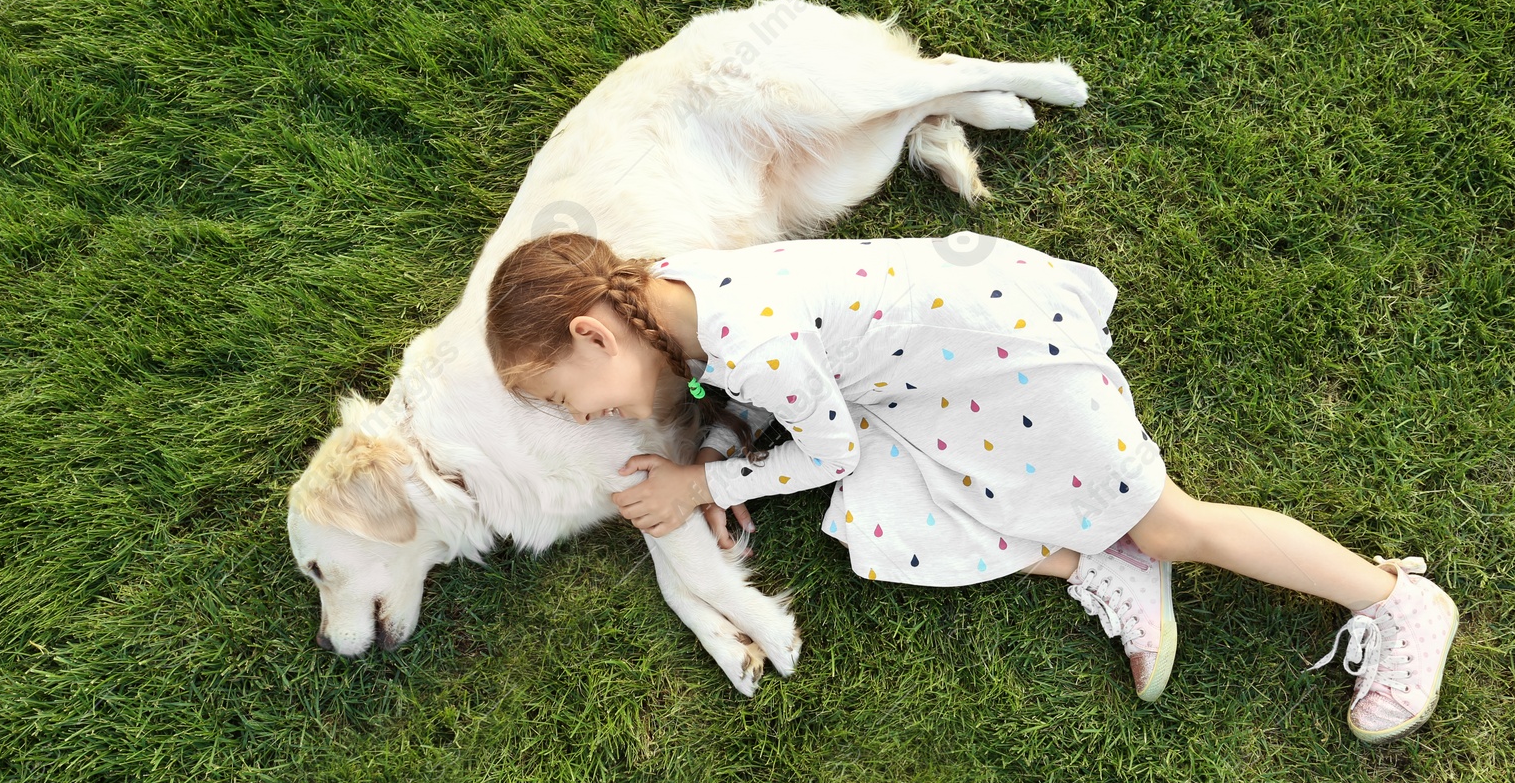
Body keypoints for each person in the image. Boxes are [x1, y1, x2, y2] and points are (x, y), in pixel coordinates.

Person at [484, 231, 1458, 743]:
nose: (579, 418)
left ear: (592, 335)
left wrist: (705, 477)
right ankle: (1094, 555)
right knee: (882, 519)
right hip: (932, 369)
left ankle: (1395, 599)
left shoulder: (750, 339)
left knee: (1171, 524)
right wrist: (728, 441)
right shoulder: (663, 288)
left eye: (565, 397)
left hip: (1005, 361)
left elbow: (813, 442)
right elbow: (746, 394)